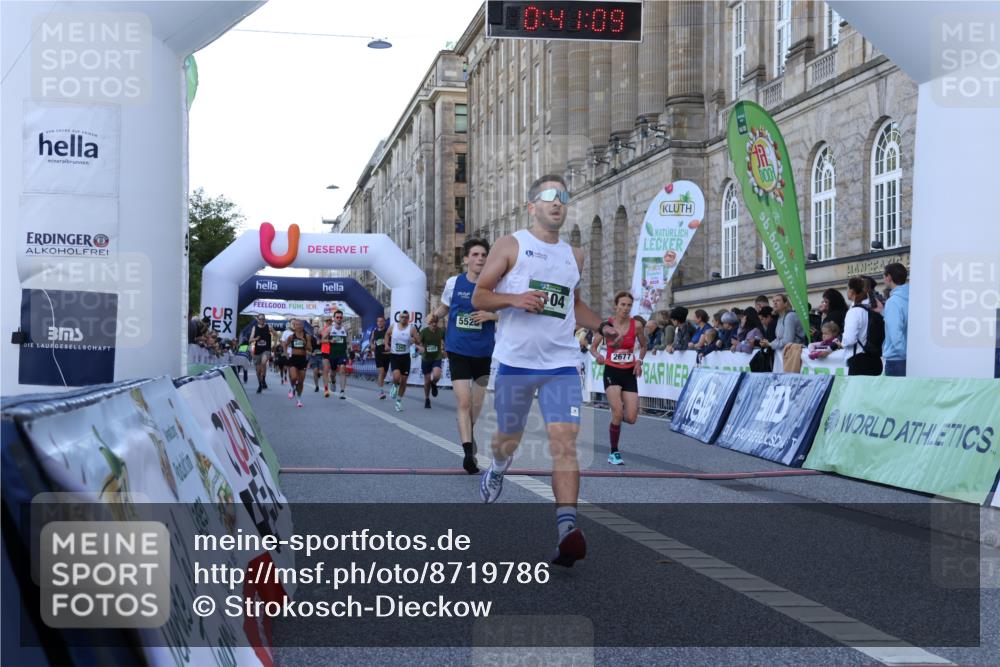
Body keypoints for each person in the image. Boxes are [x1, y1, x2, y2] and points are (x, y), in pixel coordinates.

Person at [471, 174, 621, 568]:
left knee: (564, 443)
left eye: (563, 197)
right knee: (508, 437)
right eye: (549, 196)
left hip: (562, 364)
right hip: (516, 363)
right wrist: (515, 299)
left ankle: (567, 529)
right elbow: (479, 296)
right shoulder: (512, 245)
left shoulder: (575, 256)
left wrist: (601, 324)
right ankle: (498, 469)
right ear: (532, 205)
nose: (558, 202)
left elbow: (573, 305)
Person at [432, 238, 499, 474]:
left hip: (483, 351)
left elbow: (510, 314)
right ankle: (468, 453)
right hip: (458, 349)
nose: (480, 258)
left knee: (477, 404)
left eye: (484, 255)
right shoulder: (454, 283)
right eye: (476, 254)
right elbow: (445, 308)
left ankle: (468, 432)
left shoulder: (495, 284)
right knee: (464, 401)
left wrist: (491, 316)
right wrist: (434, 316)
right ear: (466, 259)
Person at [590, 292, 647, 466]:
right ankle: (614, 452)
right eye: (622, 305)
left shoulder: (636, 325)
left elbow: (644, 345)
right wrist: (598, 355)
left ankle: (617, 416)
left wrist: (639, 361)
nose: (626, 308)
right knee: (617, 412)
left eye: (629, 305)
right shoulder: (607, 325)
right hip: (612, 372)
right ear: (616, 306)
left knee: (630, 418)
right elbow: (593, 347)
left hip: (629, 373)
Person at [840, 277, 883, 375]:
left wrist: (842, 343)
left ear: (851, 291)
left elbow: (850, 339)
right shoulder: (872, 309)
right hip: (875, 360)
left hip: (859, 362)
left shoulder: (854, 311)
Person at [385, 310, 420, 411]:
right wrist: (387, 344)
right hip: (395, 355)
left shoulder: (411, 328)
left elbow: (418, 340)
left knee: (404, 381)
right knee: (396, 376)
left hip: (405, 357)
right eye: (402, 317)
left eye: (406, 317)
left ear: (408, 319)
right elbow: (387, 334)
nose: (404, 319)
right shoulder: (393, 326)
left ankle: (399, 401)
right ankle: (394, 386)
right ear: (399, 318)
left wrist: (414, 340)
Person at [881, 263, 910, 376]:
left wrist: (903, 353)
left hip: (897, 359)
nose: (883, 279)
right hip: (911, 357)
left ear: (889, 277)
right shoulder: (912, 297)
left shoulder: (893, 302)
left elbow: (895, 333)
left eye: (884, 276)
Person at [418, 314, 445, 409]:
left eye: (435, 322)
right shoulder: (424, 332)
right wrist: (420, 348)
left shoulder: (441, 331)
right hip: (426, 358)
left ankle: (434, 383)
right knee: (427, 381)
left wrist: (445, 350)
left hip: (437, 357)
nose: (434, 324)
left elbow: (446, 341)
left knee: (437, 375)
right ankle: (427, 399)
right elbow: (418, 343)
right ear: (429, 323)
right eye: (432, 322)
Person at [283, 318, 312, 407]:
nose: (299, 326)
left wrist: (305, 343)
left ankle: (299, 400)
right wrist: (286, 353)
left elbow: (310, 349)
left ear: (303, 326)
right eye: (297, 325)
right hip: (294, 359)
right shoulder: (291, 336)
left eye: (300, 325)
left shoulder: (307, 336)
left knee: (301, 382)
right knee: (293, 377)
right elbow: (285, 344)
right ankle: (292, 388)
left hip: (302, 359)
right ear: (294, 326)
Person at [325, 310, 351, 399]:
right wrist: (329, 341)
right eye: (337, 317)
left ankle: (342, 391)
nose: (339, 319)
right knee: (333, 373)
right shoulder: (330, 329)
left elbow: (348, 341)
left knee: (343, 370)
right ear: (334, 318)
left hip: (342, 353)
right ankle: (333, 381)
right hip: (333, 354)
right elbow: (321, 340)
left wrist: (348, 350)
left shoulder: (346, 329)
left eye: (341, 317)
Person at [248, 314, 272, 393]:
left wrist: (274, 343)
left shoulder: (269, 327)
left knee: (264, 362)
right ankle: (260, 384)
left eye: (263, 319)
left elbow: (276, 335)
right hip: (258, 351)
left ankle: (263, 379)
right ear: (258, 320)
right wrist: (256, 338)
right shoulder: (254, 328)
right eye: (260, 319)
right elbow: (250, 340)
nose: (262, 320)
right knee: (258, 371)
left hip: (266, 349)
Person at [369, 315, 391, 399]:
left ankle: (380, 382)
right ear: (377, 323)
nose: (380, 323)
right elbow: (371, 340)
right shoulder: (375, 332)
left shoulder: (388, 331)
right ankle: (381, 392)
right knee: (381, 371)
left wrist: (389, 346)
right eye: (378, 321)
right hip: (378, 354)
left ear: (384, 322)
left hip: (387, 354)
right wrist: (372, 345)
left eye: (382, 321)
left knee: (384, 374)